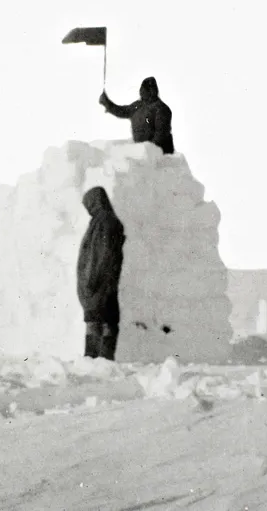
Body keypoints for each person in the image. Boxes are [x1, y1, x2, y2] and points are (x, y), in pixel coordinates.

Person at [76, 187, 126, 360]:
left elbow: (101, 254)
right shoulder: (103, 220)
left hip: (98, 283)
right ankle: (101, 360)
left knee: (98, 321)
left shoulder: (103, 222)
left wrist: (91, 280)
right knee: (104, 320)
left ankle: (95, 359)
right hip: (103, 282)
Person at [99, 76, 175, 155]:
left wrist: (148, 151)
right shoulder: (138, 105)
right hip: (142, 153)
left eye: (146, 89)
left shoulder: (161, 108)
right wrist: (107, 103)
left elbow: (161, 134)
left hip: (159, 156)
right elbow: (123, 111)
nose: (142, 91)